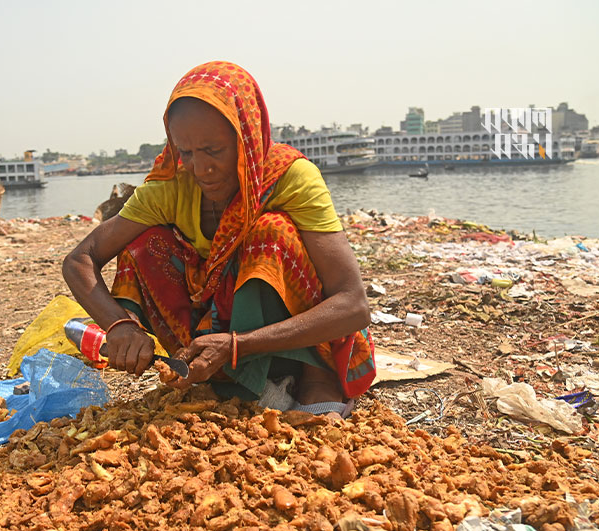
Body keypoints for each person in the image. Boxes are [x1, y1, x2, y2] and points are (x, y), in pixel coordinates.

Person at [63, 61, 374, 417]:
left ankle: (315, 378)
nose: (201, 169)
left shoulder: (290, 177)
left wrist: (238, 345)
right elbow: (80, 260)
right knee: (143, 245)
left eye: (214, 151)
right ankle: (220, 377)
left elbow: (353, 305)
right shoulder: (171, 186)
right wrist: (118, 326)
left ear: (248, 138)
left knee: (270, 233)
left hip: (287, 340)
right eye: (187, 152)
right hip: (212, 342)